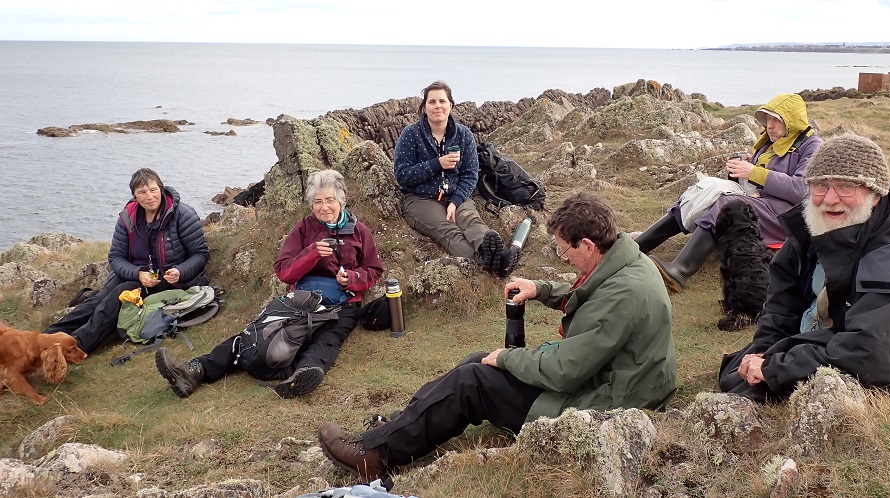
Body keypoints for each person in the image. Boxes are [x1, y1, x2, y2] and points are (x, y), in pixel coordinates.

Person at [316, 192, 677, 482]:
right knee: (476, 361)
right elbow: (593, 292)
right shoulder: (625, 261)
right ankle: (393, 429)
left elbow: (566, 370)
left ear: (587, 244)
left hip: (607, 403)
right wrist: (542, 288)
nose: (563, 258)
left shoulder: (623, 294)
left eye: (563, 249)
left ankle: (377, 456)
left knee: (474, 380)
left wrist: (506, 358)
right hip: (621, 381)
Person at [719, 133, 890, 402]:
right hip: (811, 345)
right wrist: (765, 350)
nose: (830, 198)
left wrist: (774, 367)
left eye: (846, 187)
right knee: (736, 374)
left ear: (874, 195)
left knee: (748, 390)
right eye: (820, 185)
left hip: (866, 368)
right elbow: (781, 305)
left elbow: (874, 355)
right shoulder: (812, 228)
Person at [155, 170, 384, 399]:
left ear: (342, 200)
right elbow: (284, 271)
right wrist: (311, 253)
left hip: (344, 305)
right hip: (302, 299)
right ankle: (194, 370)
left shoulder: (359, 231)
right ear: (311, 204)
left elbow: (374, 269)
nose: (324, 207)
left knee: (327, 339)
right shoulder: (304, 228)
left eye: (330, 200)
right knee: (258, 331)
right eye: (318, 202)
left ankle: (302, 376)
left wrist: (352, 279)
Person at [634, 93, 823, 292]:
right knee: (700, 191)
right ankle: (636, 248)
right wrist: (744, 168)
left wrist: (754, 172)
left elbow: (802, 190)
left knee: (726, 204)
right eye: (768, 119)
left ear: (792, 120)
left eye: (776, 119)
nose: (770, 125)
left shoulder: (812, 146)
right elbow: (765, 174)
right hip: (761, 201)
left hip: (787, 215)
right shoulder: (772, 142)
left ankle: (680, 270)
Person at [44, 168, 209, 353]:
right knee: (97, 300)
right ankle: (45, 338)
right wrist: (138, 273)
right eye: (142, 192)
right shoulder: (127, 218)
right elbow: (116, 257)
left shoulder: (182, 215)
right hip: (137, 274)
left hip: (170, 281)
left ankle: (74, 347)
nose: (149, 196)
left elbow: (201, 254)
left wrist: (180, 271)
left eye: (153, 190)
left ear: (161, 189)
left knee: (119, 296)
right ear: (135, 196)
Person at [393, 80, 516, 277]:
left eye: (442, 101)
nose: (437, 106)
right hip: (420, 199)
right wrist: (437, 164)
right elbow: (402, 175)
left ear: (451, 105)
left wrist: (456, 202)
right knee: (449, 231)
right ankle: (488, 264)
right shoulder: (411, 134)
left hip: (455, 195)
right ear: (424, 107)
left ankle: (492, 251)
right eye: (432, 102)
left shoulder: (464, 134)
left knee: (471, 222)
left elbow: (470, 174)